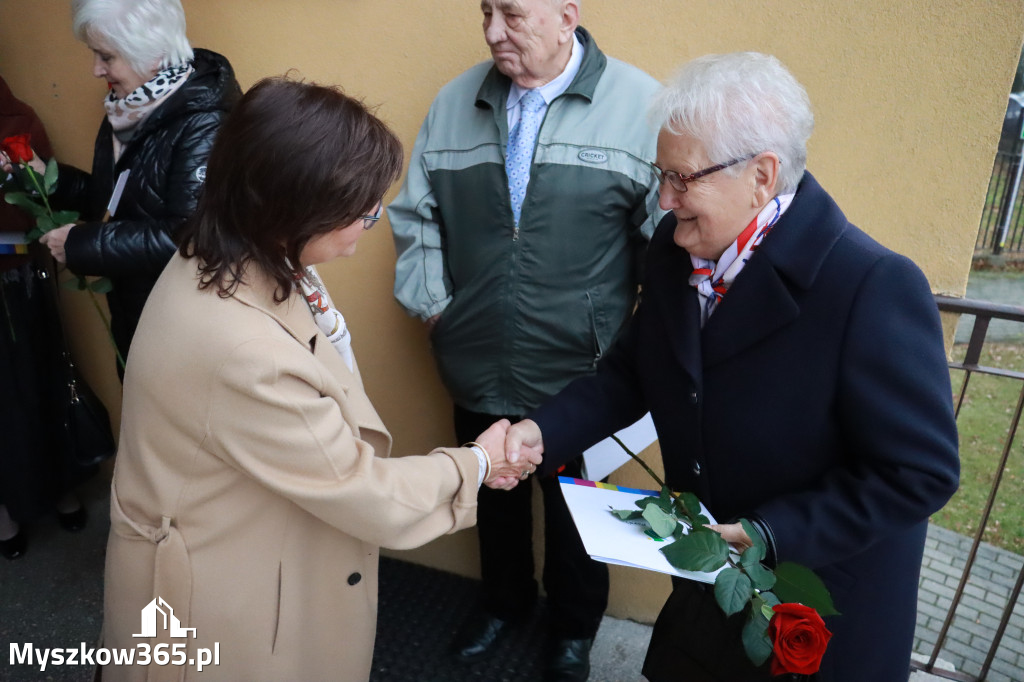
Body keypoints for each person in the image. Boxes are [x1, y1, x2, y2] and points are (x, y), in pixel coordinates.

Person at [504, 52, 960, 682]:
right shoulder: (674, 249)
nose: (664, 200)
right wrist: (539, 432)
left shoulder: (872, 284)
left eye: (682, 178)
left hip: (817, 608)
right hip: (706, 594)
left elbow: (920, 472)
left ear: (761, 176)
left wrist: (770, 532)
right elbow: (633, 373)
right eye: (660, 175)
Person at [99, 76, 542, 682]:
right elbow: (363, 491)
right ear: (294, 209)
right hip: (217, 606)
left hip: (235, 543)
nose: (372, 219)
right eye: (362, 210)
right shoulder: (245, 353)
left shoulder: (225, 250)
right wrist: (480, 463)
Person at [388, 2, 661, 678]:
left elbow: (667, 240)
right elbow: (415, 214)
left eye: (511, 14)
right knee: (492, 494)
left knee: (577, 513)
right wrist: (435, 307)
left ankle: (573, 630)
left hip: (584, 372)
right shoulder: (455, 103)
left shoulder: (639, 106)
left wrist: (645, 342)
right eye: (485, 12)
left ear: (566, 14)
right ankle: (503, 603)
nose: (492, 33)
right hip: (477, 355)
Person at [1, 0, 241, 369]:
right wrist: (41, 177)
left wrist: (82, 244)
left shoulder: (205, 124)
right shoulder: (128, 107)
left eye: (107, 56)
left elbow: (190, 238)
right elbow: (112, 202)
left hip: (183, 327)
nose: (96, 69)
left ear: (153, 54)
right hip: (137, 312)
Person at [0, 76, 94, 559]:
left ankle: (62, 489)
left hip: (22, 279)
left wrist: (19, 177)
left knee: (43, 380)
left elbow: (50, 201)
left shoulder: (17, 118)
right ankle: (5, 513)